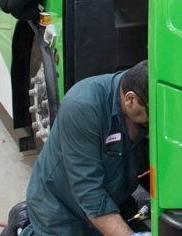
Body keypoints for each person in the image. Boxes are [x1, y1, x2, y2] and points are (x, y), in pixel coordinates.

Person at [21, 61, 150, 236]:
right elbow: (89, 191)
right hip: (60, 214)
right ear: (130, 99)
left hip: (113, 201)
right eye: (152, 112)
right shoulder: (82, 107)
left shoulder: (143, 91)